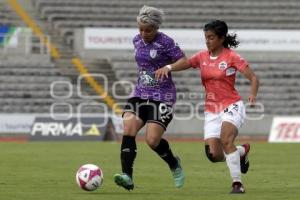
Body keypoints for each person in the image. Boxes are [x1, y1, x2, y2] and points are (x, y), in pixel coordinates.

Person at [155, 20, 259, 194]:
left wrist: (253, 95)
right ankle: (242, 151)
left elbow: (254, 78)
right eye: (206, 37)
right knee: (214, 155)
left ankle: (237, 184)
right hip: (211, 110)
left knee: (226, 140)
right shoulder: (202, 56)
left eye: (211, 37)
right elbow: (186, 63)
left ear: (221, 38)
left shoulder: (232, 57)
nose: (207, 41)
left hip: (231, 105)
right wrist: (168, 67)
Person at [113, 5, 187, 190]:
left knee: (152, 140)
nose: (144, 33)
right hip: (139, 93)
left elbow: (184, 61)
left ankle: (174, 164)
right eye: (141, 29)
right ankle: (127, 176)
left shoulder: (166, 42)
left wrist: (168, 67)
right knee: (128, 127)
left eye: (148, 30)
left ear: (156, 28)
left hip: (162, 96)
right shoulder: (136, 40)